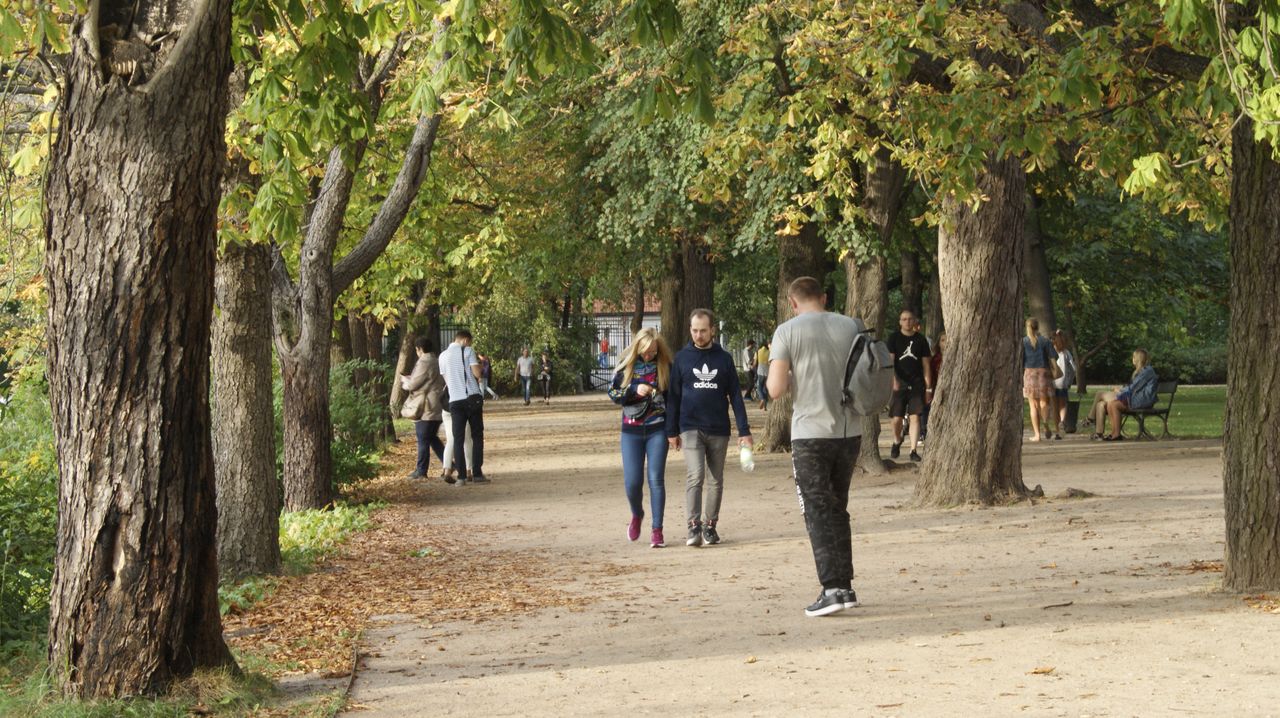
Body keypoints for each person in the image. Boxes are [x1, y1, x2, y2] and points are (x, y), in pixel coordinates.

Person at [767, 276, 865, 617]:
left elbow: (776, 389)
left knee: (817, 510)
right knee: (838, 507)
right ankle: (846, 585)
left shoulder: (787, 332)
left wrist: (792, 374)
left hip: (809, 433)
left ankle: (832, 589)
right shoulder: (851, 326)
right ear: (823, 297)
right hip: (849, 431)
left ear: (793, 303)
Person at [667, 309, 752, 548]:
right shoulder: (682, 358)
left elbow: (736, 396)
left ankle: (710, 525)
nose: (699, 335)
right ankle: (693, 526)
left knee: (716, 479)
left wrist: (744, 430)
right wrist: (671, 431)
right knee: (695, 475)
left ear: (712, 330)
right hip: (690, 426)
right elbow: (673, 397)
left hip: (718, 428)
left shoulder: (723, 359)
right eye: (694, 330)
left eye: (703, 330)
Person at [608, 328, 674, 549]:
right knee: (633, 483)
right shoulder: (626, 367)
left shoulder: (665, 367)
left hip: (657, 429)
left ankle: (657, 530)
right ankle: (637, 514)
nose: (649, 356)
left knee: (656, 479)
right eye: (645, 352)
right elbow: (613, 395)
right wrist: (635, 389)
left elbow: (674, 400)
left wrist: (673, 430)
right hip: (631, 431)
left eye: (653, 352)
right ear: (638, 348)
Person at [438, 329, 488, 484]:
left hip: (454, 401)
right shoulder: (468, 351)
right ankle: (477, 473)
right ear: (466, 340)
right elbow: (477, 374)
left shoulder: (443, 356)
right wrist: (480, 364)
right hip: (472, 397)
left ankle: (461, 477)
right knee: (477, 436)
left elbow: (447, 380)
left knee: (458, 438)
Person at [887, 309, 933, 461]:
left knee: (915, 418)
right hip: (898, 384)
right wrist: (893, 380)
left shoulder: (921, 340)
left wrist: (928, 388)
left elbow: (926, 365)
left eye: (910, 319)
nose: (907, 321)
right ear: (900, 322)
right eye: (904, 319)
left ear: (914, 321)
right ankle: (897, 440)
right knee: (896, 419)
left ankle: (913, 450)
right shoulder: (894, 338)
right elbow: (890, 361)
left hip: (917, 384)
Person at [398, 337, 445, 480]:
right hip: (436, 403)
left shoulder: (425, 362)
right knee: (431, 438)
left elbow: (414, 384)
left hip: (426, 406)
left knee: (423, 437)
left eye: (417, 350)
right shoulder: (436, 360)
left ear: (420, 349)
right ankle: (449, 463)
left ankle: (421, 470)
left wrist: (405, 383)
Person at [1090, 349, 1158, 441]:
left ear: (1138, 359)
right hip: (1135, 398)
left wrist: (1120, 390)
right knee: (1102, 404)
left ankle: (1090, 419)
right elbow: (1134, 387)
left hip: (1141, 400)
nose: (1132, 359)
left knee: (1102, 395)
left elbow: (1133, 388)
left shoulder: (1147, 371)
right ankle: (1107, 433)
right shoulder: (1141, 371)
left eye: (1133, 357)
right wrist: (1121, 389)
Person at [1021, 318, 1059, 442]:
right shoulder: (1045, 341)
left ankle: (1037, 435)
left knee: (1033, 405)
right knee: (1044, 403)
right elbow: (1054, 356)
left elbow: (1020, 360)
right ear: (1038, 327)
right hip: (1044, 373)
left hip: (1029, 373)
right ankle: (1045, 422)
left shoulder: (1023, 342)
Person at [920, 330, 945, 442]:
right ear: (938, 343)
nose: (946, 343)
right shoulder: (935, 360)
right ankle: (924, 432)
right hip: (935, 390)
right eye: (943, 340)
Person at [1051, 330, 1076, 436]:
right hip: (1063, 383)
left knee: (1055, 406)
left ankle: (1057, 428)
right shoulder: (1066, 353)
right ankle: (1062, 422)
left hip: (1052, 383)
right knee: (1063, 404)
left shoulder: (1050, 353)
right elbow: (1073, 369)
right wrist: (1069, 381)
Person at [755, 340, 771, 410]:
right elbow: (770, 362)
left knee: (759, 387)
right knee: (765, 389)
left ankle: (762, 399)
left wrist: (752, 366)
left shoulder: (758, 351)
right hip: (767, 372)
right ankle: (765, 407)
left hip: (760, 371)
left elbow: (755, 362)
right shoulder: (769, 352)